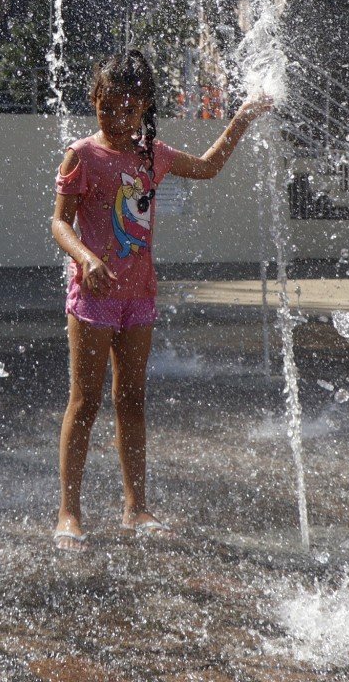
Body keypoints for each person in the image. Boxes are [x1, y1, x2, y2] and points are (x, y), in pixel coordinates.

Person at [50, 50, 272, 547]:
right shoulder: (82, 155)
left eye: (127, 111)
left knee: (131, 400)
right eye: (107, 108)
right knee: (84, 401)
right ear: (95, 101)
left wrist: (242, 116)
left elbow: (210, 166)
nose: (116, 120)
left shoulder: (153, 155)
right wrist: (86, 259)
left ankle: (136, 507)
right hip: (94, 295)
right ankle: (69, 511)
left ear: (144, 107)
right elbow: (59, 223)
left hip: (140, 296)